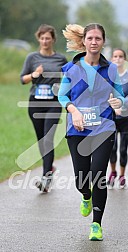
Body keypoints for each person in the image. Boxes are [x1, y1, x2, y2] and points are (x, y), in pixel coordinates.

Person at [58, 23, 124, 241]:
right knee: (81, 180)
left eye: (98, 38)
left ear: (103, 42)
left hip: (103, 128)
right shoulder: (72, 68)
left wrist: (117, 101)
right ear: (84, 41)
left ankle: (96, 224)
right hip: (77, 129)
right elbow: (62, 96)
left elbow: (120, 95)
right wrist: (73, 110)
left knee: (98, 175)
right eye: (90, 38)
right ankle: (86, 195)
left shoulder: (111, 69)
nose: (94, 42)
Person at [20, 24, 67, 192]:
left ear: (53, 39)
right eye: (42, 38)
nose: (45, 41)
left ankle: (46, 176)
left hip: (54, 103)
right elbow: (22, 79)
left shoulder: (60, 59)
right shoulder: (32, 58)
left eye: (48, 38)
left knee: (48, 139)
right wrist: (33, 75)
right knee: (41, 140)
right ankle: (50, 167)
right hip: (35, 102)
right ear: (38, 39)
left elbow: (69, 77)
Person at [107, 48, 128, 189]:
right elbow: (105, 94)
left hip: (127, 117)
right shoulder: (108, 76)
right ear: (112, 59)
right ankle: (113, 172)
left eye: (120, 56)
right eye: (115, 56)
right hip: (111, 117)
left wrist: (121, 103)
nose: (118, 59)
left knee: (123, 149)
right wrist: (114, 107)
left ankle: (122, 175)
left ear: (124, 59)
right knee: (112, 148)